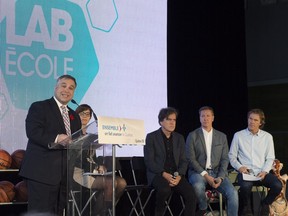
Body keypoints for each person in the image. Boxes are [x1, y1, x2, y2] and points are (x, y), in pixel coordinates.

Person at [19, 75, 82, 215]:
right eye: (63, 85)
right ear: (56, 87)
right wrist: (57, 137)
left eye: (71, 88)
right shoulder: (39, 107)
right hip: (42, 174)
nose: (67, 90)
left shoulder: (74, 115)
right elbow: (33, 132)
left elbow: (76, 141)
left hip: (65, 175)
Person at [185, 106, 238, 216]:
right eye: (202, 116)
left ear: (213, 118)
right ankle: (203, 209)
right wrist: (205, 175)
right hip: (198, 172)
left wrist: (221, 177)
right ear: (199, 118)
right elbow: (190, 159)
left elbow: (225, 159)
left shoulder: (222, 136)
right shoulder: (192, 135)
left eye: (208, 116)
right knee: (198, 187)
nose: (205, 118)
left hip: (217, 172)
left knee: (233, 193)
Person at [144, 107, 197, 216]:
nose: (172, 123)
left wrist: (179, 175)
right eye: (169, 119)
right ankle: (158, 213)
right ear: (161, 122)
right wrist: (164, 174)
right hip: (158, 174)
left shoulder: (179, 138)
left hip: (175, 175)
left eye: (174, 120)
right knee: (164, 190)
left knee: (191, 195)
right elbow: (149, 161)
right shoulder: (151, 137)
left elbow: (184, 160)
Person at [229, 108, 282, 216]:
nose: (251, 122)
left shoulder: (267, 137)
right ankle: (246, 209)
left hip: (261, 172)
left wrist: (265, 171)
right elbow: (231, 156)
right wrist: (240, 167)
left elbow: (270, 157)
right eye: (250, 119)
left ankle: (265, 204)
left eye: (255, 120)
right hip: (246, 172)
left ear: (261, 122)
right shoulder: (238, 135)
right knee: (245, 187)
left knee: (277, 185)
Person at [73, 104, 127, 209]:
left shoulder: (91, 135)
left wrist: (100, 165)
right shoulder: (73, 134)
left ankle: (103, 211)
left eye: (87, 114)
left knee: (122, 183)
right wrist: (95, 167)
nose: (85, 116)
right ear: (76, 115)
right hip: (78, 172)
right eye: (82, 113)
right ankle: (99, 213)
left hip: (92, 171)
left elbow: (92, 156)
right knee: (111, 183)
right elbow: (77, 158)